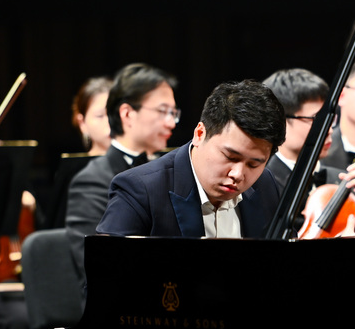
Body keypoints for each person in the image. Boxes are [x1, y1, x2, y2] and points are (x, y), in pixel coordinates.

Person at [96, 79, 287, 238]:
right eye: (230, 156)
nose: (238, 174)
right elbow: (107, 270)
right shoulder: (140, 190)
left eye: (253, 164)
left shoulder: (265, 185)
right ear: (200, 134)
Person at [65, 62, 179, 297]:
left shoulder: (173, 171)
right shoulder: (91, 181)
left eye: (173, 113)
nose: (171, 123)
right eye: (163, 111)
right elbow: (98, 269)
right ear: (127, 113)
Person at [263, 68, 355, 234]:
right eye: (317, 120)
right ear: (281, 121)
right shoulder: (262, 183)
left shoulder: (343, 181)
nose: (329, 129)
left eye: (331, 119)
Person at [71, 76, 113, 156]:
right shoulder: (81, 164)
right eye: (100, 115)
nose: (110, 121)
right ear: (82, 123)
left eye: (115, 114)